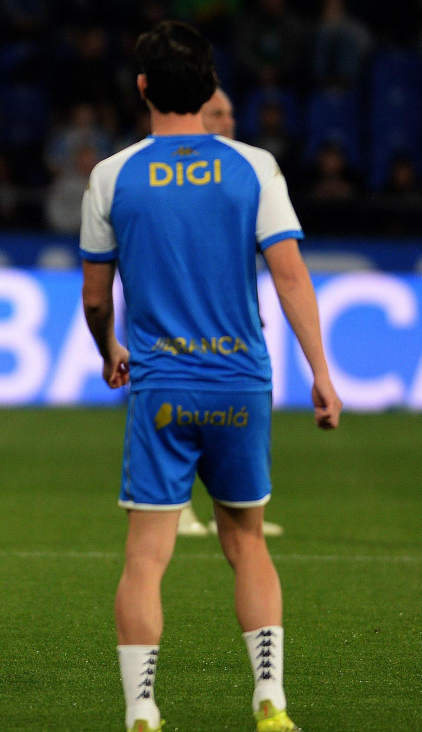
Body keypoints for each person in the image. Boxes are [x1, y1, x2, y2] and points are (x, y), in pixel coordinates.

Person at [80, 22, 341, 732]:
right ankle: (269, 698)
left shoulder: (113, 174)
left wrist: (108, 349)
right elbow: (289, 275)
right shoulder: (254, 167)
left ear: (142, 87)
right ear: (209, 87)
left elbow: (97, 298)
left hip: (162, 386)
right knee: (246, 542)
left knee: (146, 555)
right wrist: (320, 372)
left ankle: (142, 707)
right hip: (239, 381)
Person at [177, 87, 285, 539]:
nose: (228, 121)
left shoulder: (245, 171)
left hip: (231, 315)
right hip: (178, 314)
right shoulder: (174, 176)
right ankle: (177, 507)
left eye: (231, 113)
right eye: (217, 113)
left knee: (231, 411)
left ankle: (245, 509)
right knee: (174, 407)